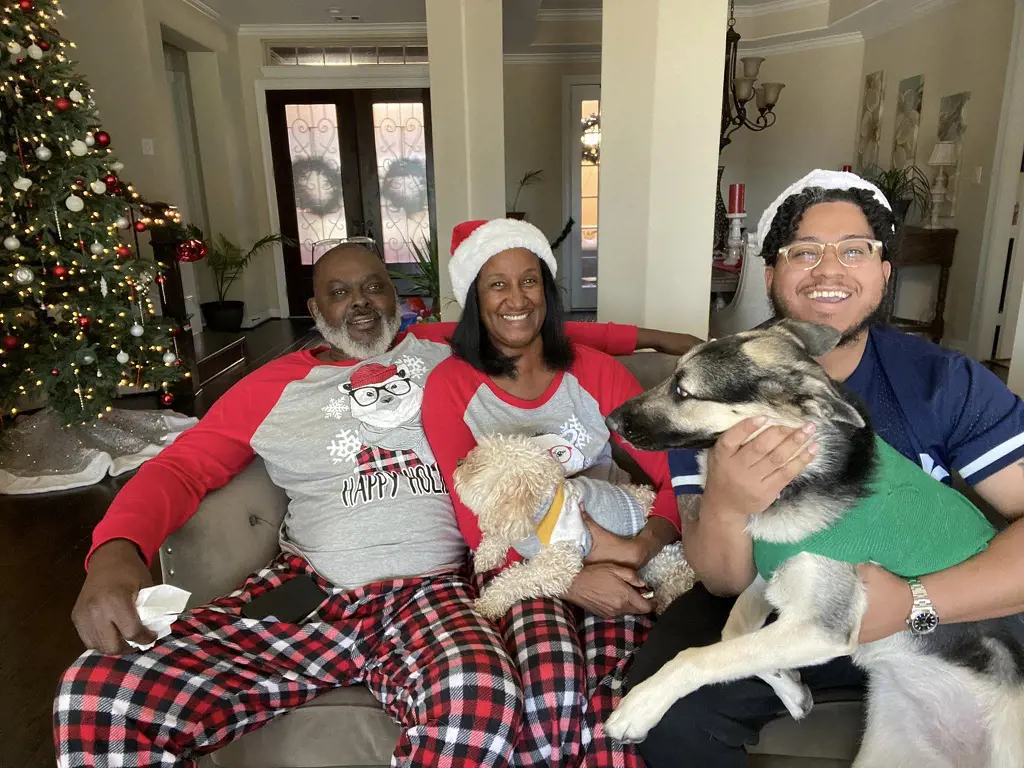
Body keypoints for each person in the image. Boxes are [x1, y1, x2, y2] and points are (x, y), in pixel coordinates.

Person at [53, 239, 699, 768]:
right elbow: (181, 467)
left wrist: (662, 341)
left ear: (399, 296)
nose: (360, 302)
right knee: (96, 696)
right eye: (340, 291)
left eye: (374, 286)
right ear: (314, 306)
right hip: (311, 590)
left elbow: (542, 329)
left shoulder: (446, 349)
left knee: (479, 702)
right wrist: (114, 550)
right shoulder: (270, 386)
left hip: (435, 591)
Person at [626, 169, 1024, 767]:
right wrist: (730, 503)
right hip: (782, 589)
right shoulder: (716, 383)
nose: (829, 270)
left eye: (854, 251)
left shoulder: (947, 382)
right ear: (771, 275)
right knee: (673, 721)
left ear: (884, 272)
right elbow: (725, 580)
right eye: (804, 252)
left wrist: (917, 600)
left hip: (939, 617)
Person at [422, 218, 682, 768]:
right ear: (474, 298)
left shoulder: (597, 371)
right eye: (497, 284)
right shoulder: (451, 386)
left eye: (530, 280)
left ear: (548, 290)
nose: (516, 298)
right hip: (524, 566)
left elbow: (676, 473)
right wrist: (573, 579)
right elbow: (478, 519)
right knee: (552, 679)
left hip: (624, 549)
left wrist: (642, 547)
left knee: (622, 702)